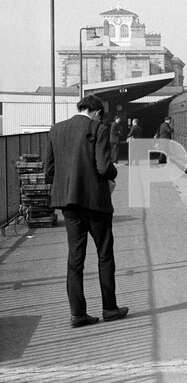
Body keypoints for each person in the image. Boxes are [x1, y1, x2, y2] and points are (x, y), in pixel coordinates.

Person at [44, 94, 129, 328]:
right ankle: (110, 309)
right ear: (97, 112)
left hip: (69, 204)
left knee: (75, 258)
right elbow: (104, 167)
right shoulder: (98, 128)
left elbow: (49, 169)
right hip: (95, 203)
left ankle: (78, 314)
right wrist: (114, 175)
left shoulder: (56, 129)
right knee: (104, 255)